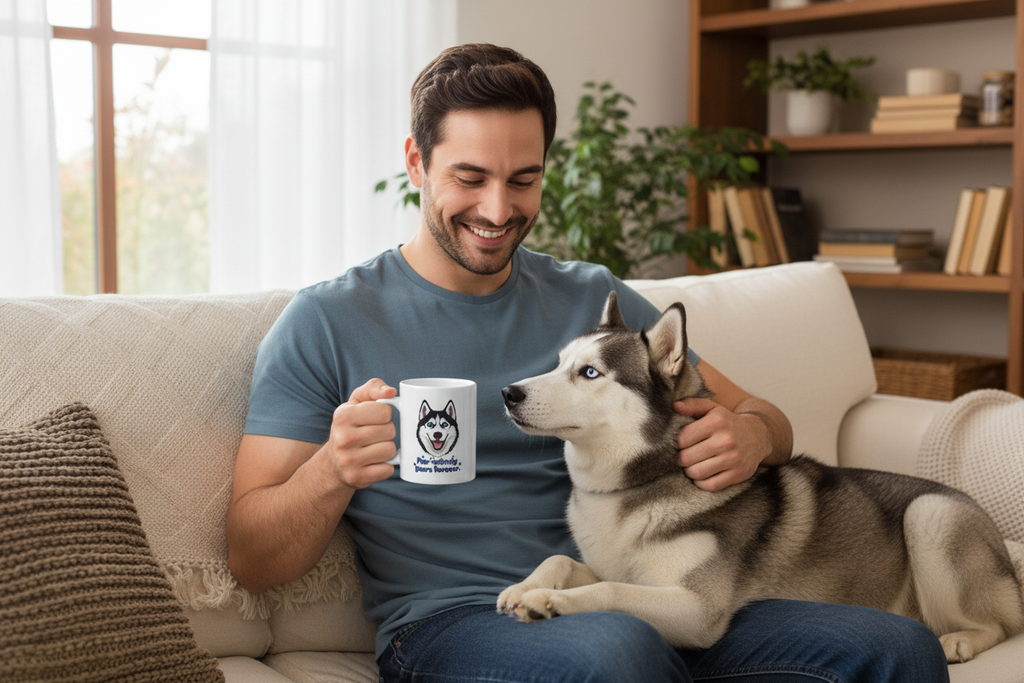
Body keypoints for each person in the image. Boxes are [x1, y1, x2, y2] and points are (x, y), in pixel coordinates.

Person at [227, 43, 950, 683]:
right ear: (416, 162)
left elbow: (762, 416)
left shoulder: (592, 297)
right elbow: (251, 557)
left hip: (632, 591)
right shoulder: (325, 321)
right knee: (615, 655)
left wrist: (752, 435)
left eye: (523, 179)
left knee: (896, 646)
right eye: (470, 177)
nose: (497, 208)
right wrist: (332, 469)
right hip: (455, 623)